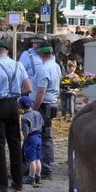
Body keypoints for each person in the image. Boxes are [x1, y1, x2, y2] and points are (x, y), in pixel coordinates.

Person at [0, 40, 32, 192]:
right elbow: (28, 88)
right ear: (7, 51)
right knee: (15, 143)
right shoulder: (19, 65)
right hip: (13, 105)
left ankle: (3, 182)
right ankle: (17, 181)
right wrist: (16, 95)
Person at [32, 44, 61, 178]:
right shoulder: (56, 66)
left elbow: (41, 91)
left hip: (44, 105)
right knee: (46, 135)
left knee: (44, 136)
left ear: (41, 55)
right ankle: (46, 165)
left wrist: (34, 108)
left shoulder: (44, 69)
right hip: (53, 103)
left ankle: (45, 167)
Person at [18, 96, 44, 187]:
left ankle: (31, 177)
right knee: (38, 158)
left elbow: (25, 131)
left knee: (31, 159)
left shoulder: (24, 117)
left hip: (31, 137)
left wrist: (25, 138)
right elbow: (42, 124)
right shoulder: (37, 113)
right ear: (32, 104)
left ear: (20, 107)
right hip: (39, 136)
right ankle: (38, 176)